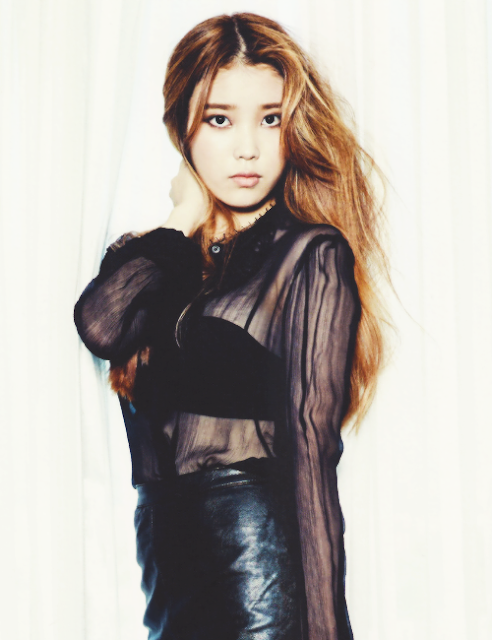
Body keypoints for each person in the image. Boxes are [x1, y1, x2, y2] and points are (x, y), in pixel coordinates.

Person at [74, 12, 388, 640]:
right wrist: (182, 217)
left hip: (262, 579)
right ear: (182, 128)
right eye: (220, 119)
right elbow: (101, 328)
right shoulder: (150, 257)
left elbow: (312, 458)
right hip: (167, 582)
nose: (248, 147)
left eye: (270, 119)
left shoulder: (309, 255)